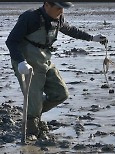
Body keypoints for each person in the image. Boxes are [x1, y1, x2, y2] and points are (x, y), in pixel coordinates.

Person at [6, 1, 108, 139]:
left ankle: (33, 111)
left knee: (61, 93)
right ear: (47, 4)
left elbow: (70, 30)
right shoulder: (30, 17)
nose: (61, 11)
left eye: (63, 8)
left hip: (44, 59)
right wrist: (20, 62)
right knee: (34, 97)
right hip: (27, 61)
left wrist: (92, 38)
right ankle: (31, 131)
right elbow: (11, 41)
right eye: (59, 8)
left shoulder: (58, 18)